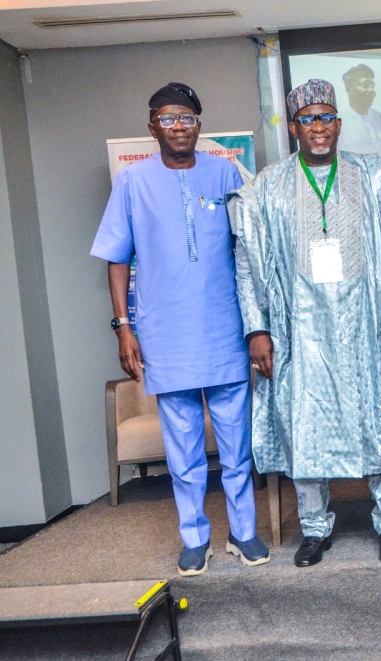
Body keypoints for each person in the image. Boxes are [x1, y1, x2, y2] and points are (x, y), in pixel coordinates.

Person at [229, 79, 381, 566]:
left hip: (363, 325)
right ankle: (314, 529)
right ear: (293, 127)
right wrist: (256, 327)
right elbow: (246, 261)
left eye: (326, 116)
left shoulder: (374, 175)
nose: (318, 126)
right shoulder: (267, 186)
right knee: (304, 424)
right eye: (308, 118)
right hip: (299, 332)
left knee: (377, 417)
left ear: (339, 123)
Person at [91, 83, 268, 576]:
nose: (178, 127)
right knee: (184, 447)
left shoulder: (225, 171)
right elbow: (116, 258)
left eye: (186, 118)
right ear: (152, 128)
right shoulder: (132, 181)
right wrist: (124, 328)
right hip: (165, 334)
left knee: (236, 444)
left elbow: (250, 250)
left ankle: (244, 532)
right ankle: (194, 537)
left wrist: (257, 325)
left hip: (224, 329)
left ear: (198, 125)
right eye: (167, 119)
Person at [337, 64, 381, 162]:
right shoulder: (339, 120)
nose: (372, 90)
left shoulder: (379, 117)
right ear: (348, 89)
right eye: (365, 85)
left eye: (373, 86)